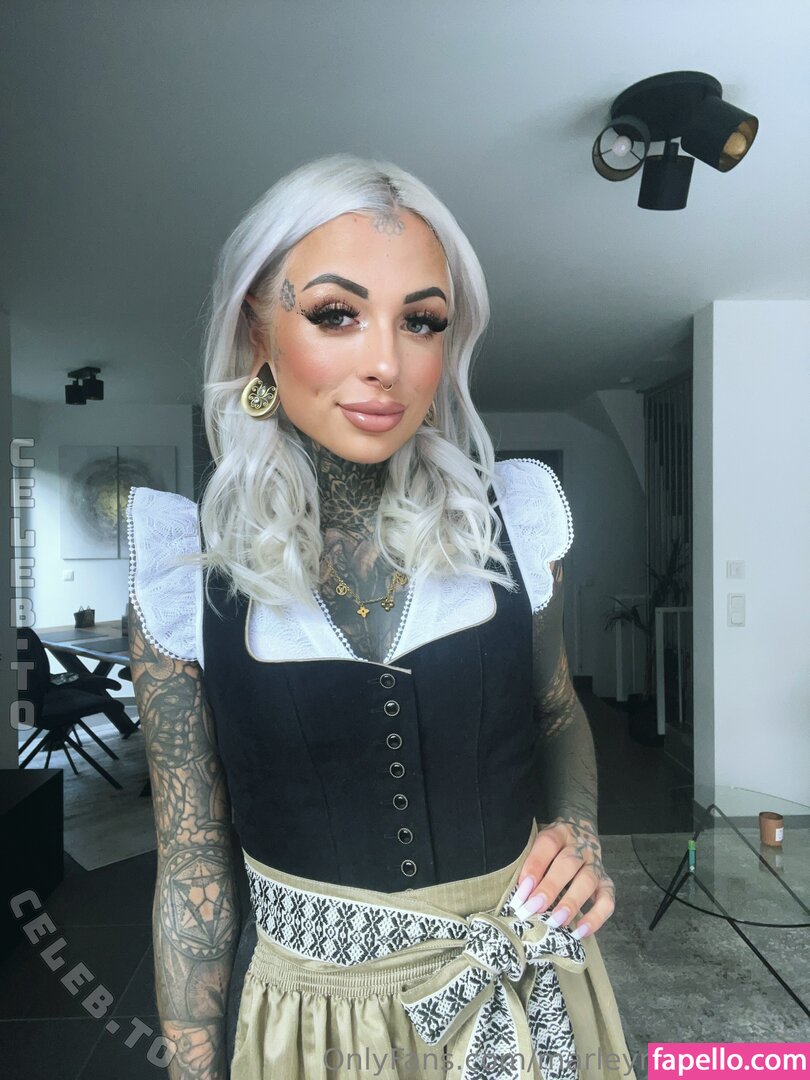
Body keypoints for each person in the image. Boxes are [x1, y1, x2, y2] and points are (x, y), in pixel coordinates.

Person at [127, 154, 636, 1080]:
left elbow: (557, 712)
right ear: (258, 331)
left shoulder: (513, 521)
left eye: (422, 321)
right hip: (310, 1022)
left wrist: (582, 833)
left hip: (524, 985)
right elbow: (193, 862)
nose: (386, 363)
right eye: (336, 313)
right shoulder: (179, 570)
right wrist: (194, 1063)